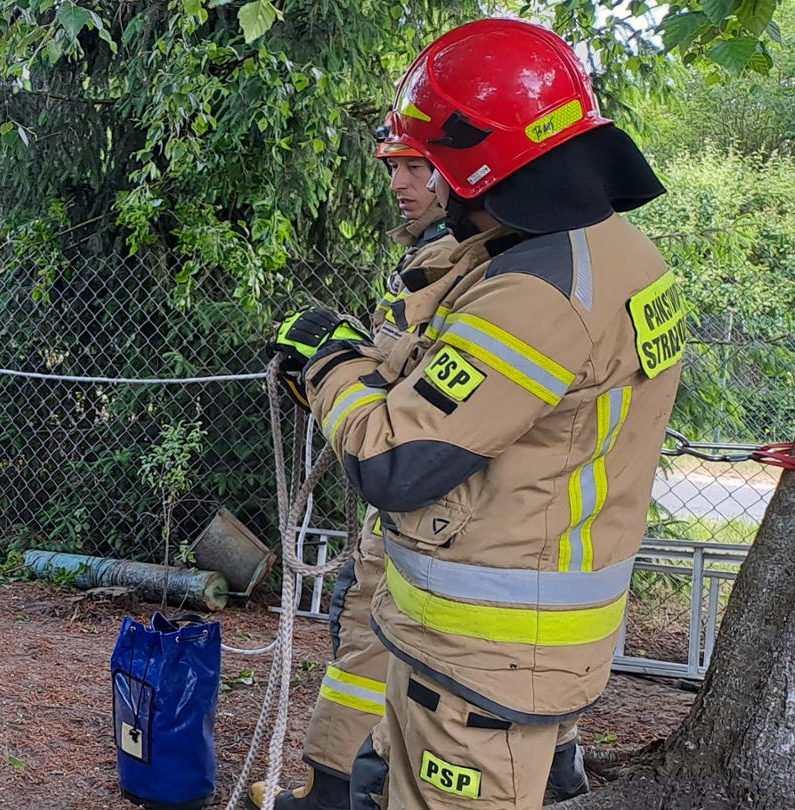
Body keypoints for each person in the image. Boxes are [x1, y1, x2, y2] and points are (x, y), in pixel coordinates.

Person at [271, 19, 679, 809]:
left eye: (432, 162)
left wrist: (328, 362)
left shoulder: (536, 294)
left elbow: (393, 462)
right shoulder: (608, 250)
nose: (416, 182)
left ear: (472, 162)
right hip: (492, 641)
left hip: (484, 661)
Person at [251, 119, 583, 810]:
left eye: (417, 166)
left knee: (374, 638)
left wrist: (332, 366)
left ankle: (334, 794)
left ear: (473, 171)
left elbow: (416, 437)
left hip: (446, 526)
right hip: (469, 533)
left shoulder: (491, 273)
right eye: (392, 167)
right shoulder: (466, 258)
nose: (399, 184)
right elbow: (420, 386)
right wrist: (327, 375)